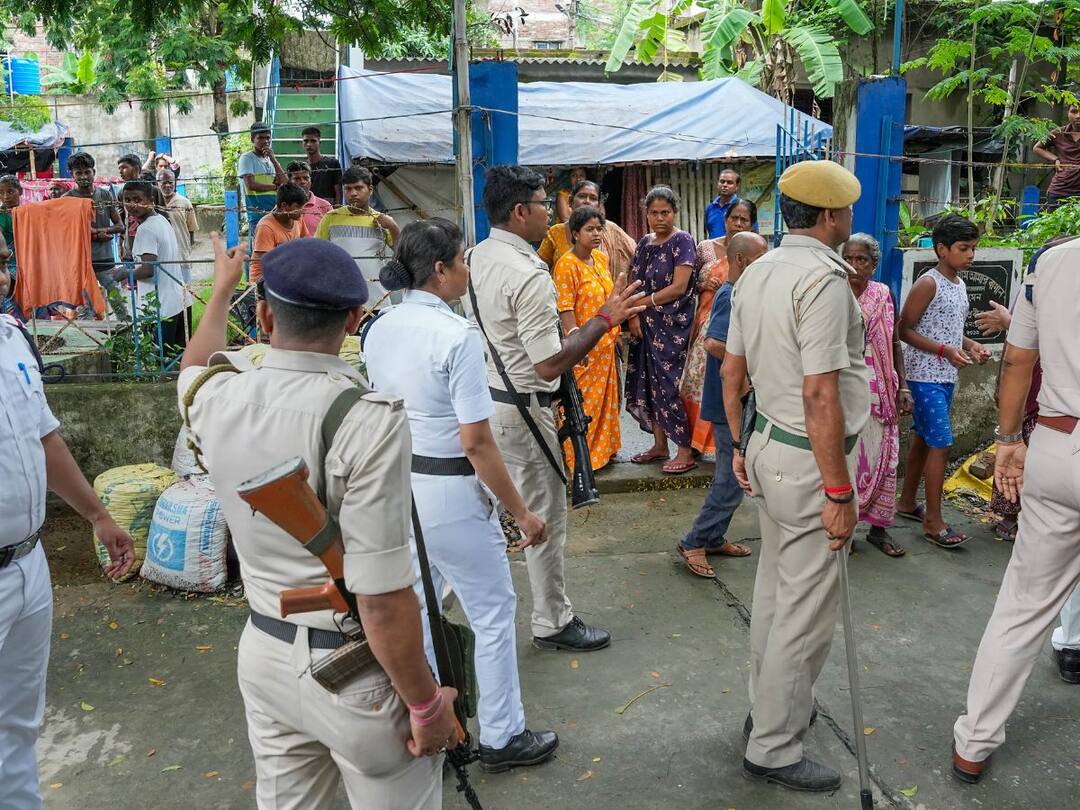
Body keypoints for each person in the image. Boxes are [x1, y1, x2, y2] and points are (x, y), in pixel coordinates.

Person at [178, 236, 455, 807]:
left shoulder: (217, 396)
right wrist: (427, 706)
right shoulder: (364, 419)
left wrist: (219, 289)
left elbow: (193, 366)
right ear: (354, 319)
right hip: (353, 671)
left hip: (264, 650)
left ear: (262, 313)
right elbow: (381, 598)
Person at [364, 218, 560, 773]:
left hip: (400, 487)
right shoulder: (457, 337)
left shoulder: (380, 327)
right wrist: (521, 512)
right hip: (449, 488)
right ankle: (502, 734)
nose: (468, 271)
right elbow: (475, 442)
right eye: (463, 261)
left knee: (423, 607)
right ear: (442, 270)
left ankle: (435, 723)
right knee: (493, 612)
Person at [720, 159, 869, 793]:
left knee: (777, 592)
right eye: (848, 211)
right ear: (831, 216)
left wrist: (738, 442)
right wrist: (840, 490)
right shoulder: (825, 282)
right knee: (804, 611)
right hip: (811, 462)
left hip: (768, 447)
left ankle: (769, 711)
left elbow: (734, 371)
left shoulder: (758, 271)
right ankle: (775, 746)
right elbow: (820, 397)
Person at [462, 165, 646, 653]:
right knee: (543, 518)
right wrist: (606, 319)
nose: (554, 213)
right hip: (524, 410)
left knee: (481, 515)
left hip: (487, 400)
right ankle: (552, 620)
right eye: (547, 204)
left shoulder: (475, 257)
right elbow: (548, 364)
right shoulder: (530, 273)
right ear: (521, 211)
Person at [950, 236, 1080, 783]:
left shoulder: (1053, 261)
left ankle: (973, 743)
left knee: (1021, 607)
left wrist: (1008, 441)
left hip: (1057, 445)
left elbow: (1020, 360)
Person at [1, 287, 134, 809]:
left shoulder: (13, 339)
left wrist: (99, 516)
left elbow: (43, 438)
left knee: (18, 724)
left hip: (29, 565)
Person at [896, 214, 991, 548]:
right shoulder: (928, 283)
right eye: (964, 248)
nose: (970, 255)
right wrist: (944, 350)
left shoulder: (960, 284)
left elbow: (949, 329)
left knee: (923, 439)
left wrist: (970, 345)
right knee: (942, 443)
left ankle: (907, 503)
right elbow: (903, 329)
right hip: (923, 377)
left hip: (946, 375)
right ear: (941, 249)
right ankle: (933, 521)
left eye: (973, 248)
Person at [675, 231, 766, 578]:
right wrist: (742, 369)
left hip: (732, 398)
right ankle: (694, 540)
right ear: (741, 260)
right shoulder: (730, 294)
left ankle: (712, 536)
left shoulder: (741, 291)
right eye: (760, 258)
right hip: (727, 399)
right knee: (730, 479)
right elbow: (715, 342)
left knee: (733, 476)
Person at [843, 233, 912, 558]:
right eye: (850, 258)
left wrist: (904, 386)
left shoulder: (883, 294)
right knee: (848, 459)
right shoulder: (835, 293)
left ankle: (879, 529)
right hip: (846, 387)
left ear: (874, 264)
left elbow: (895, 341)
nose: (855, 266)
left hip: (882, 389)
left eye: (862, 260)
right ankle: (846, 529)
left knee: (884, 458)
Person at [625, 185, 698, 475]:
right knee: (647, 383)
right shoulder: (644, 242)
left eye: (665, 212)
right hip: (645, 322)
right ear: (646, 214)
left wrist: (647, 302)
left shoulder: (683, 241)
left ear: (674, 212)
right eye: (654, 213)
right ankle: (659, 445)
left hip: (673, 325)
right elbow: (635, 279)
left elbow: (679, 287)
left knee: (670, 384)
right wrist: (633, 315)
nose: (659, 218)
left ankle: (684, 449)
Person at [682, 198, 758, 456]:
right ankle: (696, 444)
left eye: (744, 219)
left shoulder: (752, 254)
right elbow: (686, 284)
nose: (738, 223)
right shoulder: (705, 248)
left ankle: (726, 447)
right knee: (698, 384)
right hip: (705, 328)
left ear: (751, 224)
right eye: (733, 218)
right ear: (724, 220)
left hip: (734, 331)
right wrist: (704, 286)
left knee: (729, 382)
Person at [553, 206, 621, 471]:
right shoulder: (566, 265)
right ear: (575, 233)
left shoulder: (601, 259)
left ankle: (603, 455)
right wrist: (575, 346)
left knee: (606, 404)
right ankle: (579, 460)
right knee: (584, 405)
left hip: (605, 345)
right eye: (589, 229)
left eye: (598, 228)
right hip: (584, 349)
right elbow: (565, 310)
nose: (596, 234)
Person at [112, 180, 189, 349]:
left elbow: (148, 270)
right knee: (177, 359)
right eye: (128, 199)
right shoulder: (161, 220)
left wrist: (124, 273)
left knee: (159, 361)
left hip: (160, 308)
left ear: (151, 200)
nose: (132, 205)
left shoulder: (145, 229)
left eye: (138, 200)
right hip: (179, 300)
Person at [314, 166, 400, 311]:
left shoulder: (382, 221)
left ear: (370, 189)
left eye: (359, 188)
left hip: (376, 298)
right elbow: (318, 253)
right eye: (348, 189)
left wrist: (393, 227)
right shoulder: (332, 218)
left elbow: (400, 253)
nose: (353, 193)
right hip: (341, 297)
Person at [538, 180, 636, 279]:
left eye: (593, 198)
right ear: (571, 201)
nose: (587, 201)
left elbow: (636, 253)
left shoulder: (611, 230)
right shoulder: (555, 232)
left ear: (598, 205)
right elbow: (540, 267)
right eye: (582, 196)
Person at [66, 153, 126, 314]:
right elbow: (66, 233)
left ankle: (126, 334)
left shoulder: (104, 195)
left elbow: (120, 226)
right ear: (72, 175)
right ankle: (89, 338)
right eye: (79, 173)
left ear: (94, 172)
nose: (84, 176)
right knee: (85, 306)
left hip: (104, 259)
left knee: (117, 300)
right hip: (80, 261)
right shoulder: (68, 199)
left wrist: (97, 232)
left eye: (87, 172)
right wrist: (93, 235)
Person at [249, 183, 310, 284]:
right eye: (298, 207)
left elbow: (307, 244)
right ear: (284, 206)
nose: (303, 211)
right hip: (264, 280)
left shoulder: (297, 219)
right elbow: (266, 263)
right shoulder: (266, 227)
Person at [237, 122, 287, 233]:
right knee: (261, 248)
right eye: (260, 138)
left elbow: (285, 182)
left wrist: (273, 159)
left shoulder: (270, 160)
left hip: (275, 213)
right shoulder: (247, 158)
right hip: (257, 214)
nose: (265, 141)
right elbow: (251, 185)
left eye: (268, 138)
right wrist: (275, 187)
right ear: (252, 139)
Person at [1032, 104, 1080, 210]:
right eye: (1074, 112)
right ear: (1068, 113)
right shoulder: (1058, 133)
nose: (1078, 116)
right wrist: (1055, 159)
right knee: (1054, 225)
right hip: (1060, 189)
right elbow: (1037, 148)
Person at [156, 168, 197, 282]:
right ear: (157, 183)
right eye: (164, 182)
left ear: (175, 183)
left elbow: (191, 229)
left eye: (171, 182)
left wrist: (186, 251)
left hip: (181, 255)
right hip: (160, 256)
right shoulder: (153, 204)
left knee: (185, 291)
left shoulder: (184, 202)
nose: (168, 185)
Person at [287, 159, 333, 234]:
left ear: (310, 180)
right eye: (297, 179)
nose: (302, 182)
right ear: (290, 181)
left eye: (306, 178)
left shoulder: (325, 206)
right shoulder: (285, 206)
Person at [301, 126, 343, 205]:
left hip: (327, 208)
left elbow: (338, 191)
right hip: (308, 208)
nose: (309, 144)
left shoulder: (332, 163)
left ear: (319, 142)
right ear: (302, 143)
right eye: (306, 141)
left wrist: (336, 211)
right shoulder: (302, 167)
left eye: (313, 141)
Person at [0, 175, 21, 316]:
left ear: (20, 191)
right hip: (8, 264)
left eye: (10, 191)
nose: (5, 196)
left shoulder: (28, 212)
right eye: (1, 193)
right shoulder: (1, 215)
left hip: (27, 260)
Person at [704, 168, 742, 239]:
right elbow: (708, 231)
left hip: (736, 249)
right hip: (714, 249)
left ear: (736, 187)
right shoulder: (710, 208)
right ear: (717, 184)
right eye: (722, 181)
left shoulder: (742, 208)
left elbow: (753, 234)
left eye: (729, 182)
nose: (725, 185)